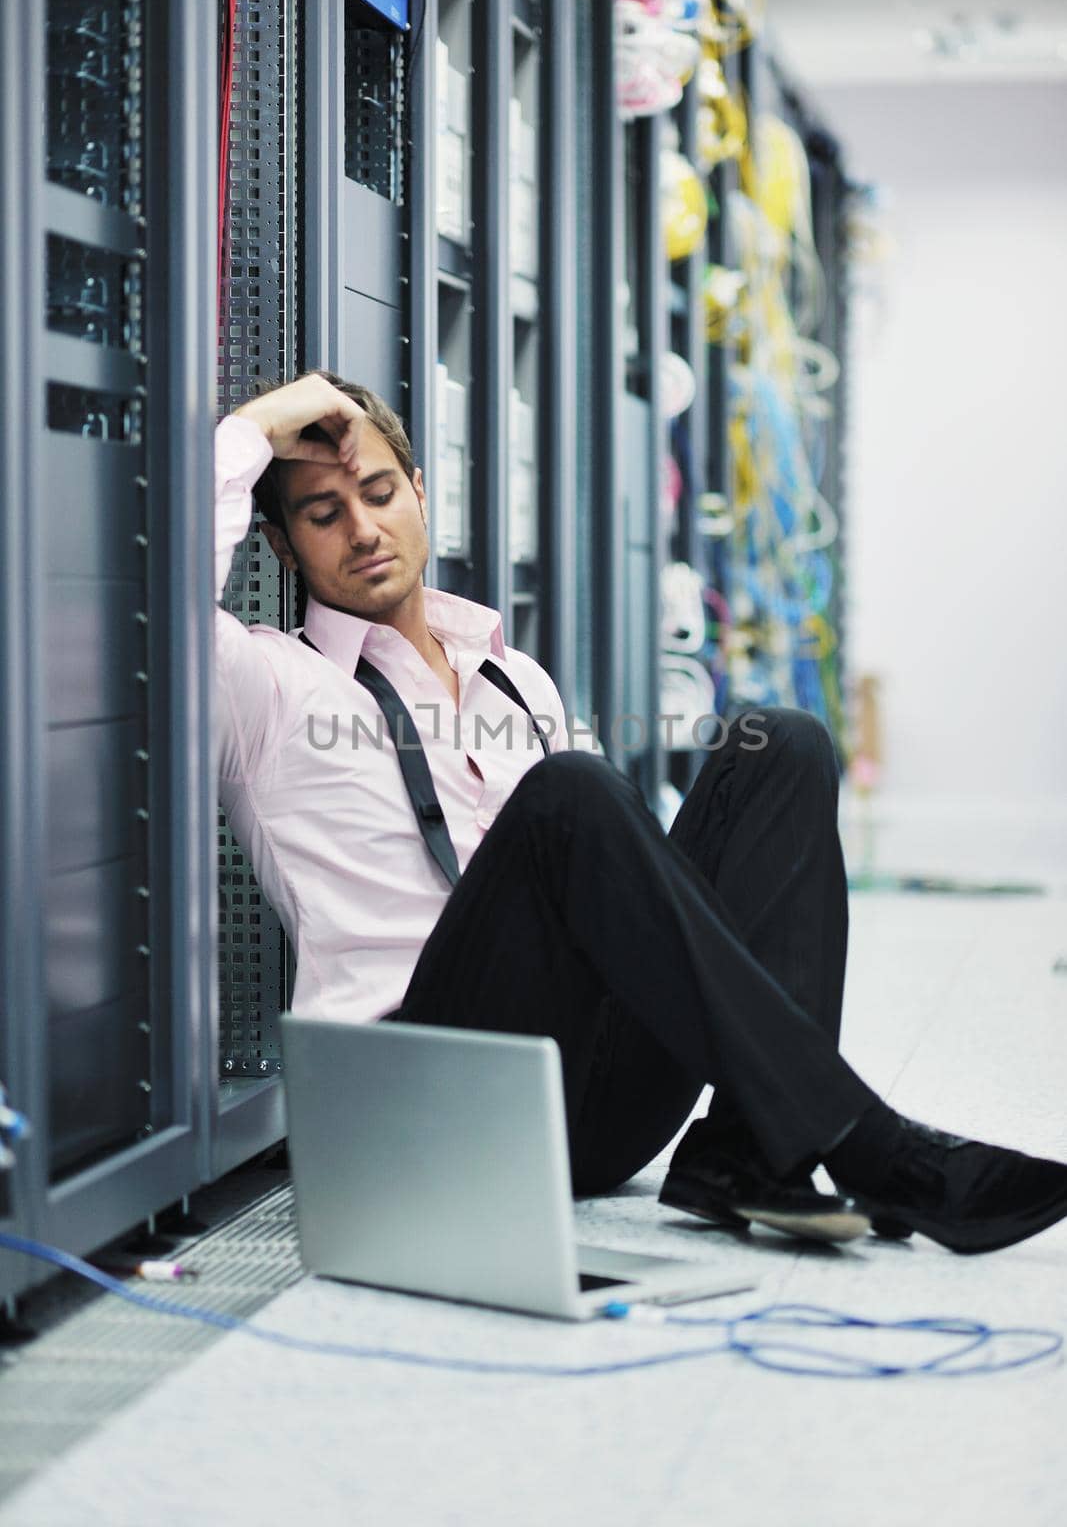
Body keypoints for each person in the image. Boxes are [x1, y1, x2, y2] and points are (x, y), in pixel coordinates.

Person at [214, 369, 1067, 1255]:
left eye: (380, 492)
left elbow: (618, 900)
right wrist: (253, 427)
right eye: (322, 515)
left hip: (597, 1108)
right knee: (571, 793)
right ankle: (868, 1142)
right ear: (282, 548)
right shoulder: (267, 687)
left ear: (420, 494)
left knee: (781, 742)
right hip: (438, 1099)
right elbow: (150, 598)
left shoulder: (516, 680)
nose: (362, 529)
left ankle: (748, 1154)